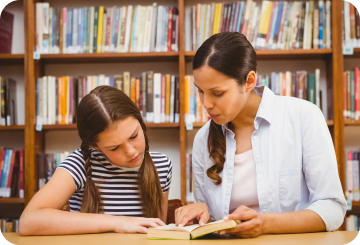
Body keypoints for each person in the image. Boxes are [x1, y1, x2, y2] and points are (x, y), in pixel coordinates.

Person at [175, 32, 346, 238]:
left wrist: (265, 224)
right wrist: (200, 214)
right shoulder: (204, 139)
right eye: (200, 91)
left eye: (217, 93)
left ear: (249, 81)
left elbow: (332, 209)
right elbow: (213, 224)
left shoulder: (303, 118)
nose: (206, 104)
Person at [20, 86, 172, 235]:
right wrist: (117, 222)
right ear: (95, 146)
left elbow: (158, 232)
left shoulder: (161, 165)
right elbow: (29, 221)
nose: (131, 151)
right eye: (115, 147)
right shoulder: (79, 164)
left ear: (140, 122)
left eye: (134, 136)